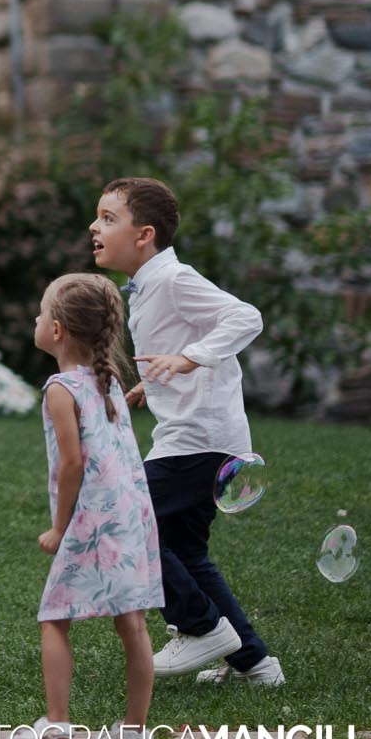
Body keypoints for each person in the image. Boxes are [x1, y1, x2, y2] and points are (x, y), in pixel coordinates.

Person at [90, 177, 281, 687]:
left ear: (145, 234)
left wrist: (189, 358)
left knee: (124, 518)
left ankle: (200, 629)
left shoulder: (174, 279)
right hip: (194, 434)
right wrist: (155, 385)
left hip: (200, 441)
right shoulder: (151, 285)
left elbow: (246, 317)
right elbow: (184, 341)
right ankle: (256, 665)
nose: (95, 226)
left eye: (109, 218)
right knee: (186, 550)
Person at [25, 273, 162, 739]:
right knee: (133, 623)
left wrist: (59, 527)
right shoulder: (108, 379)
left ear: (57, 330)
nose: (36, 320)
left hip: (91, 522)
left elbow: (72, 463)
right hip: (130, 516)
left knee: (54, 615)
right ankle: (134, 730)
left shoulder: (60, 389)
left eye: (42, 314)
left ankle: (57, 724)